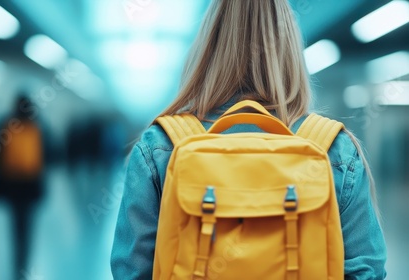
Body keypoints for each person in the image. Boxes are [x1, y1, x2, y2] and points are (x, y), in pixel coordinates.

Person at [111, 1, 387, 279]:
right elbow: (366, 272)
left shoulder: (161, 146)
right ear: (290, 47)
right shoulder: (332, 148)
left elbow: (132, 272)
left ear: (207, 47)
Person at [0, 95, 47, 277]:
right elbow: (52, 152)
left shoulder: (5, 123)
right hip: (31, 187)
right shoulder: (38, 124)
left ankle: (16, 262)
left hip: (11, 186)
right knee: (27, 226)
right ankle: (23, 264)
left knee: (15, 224)